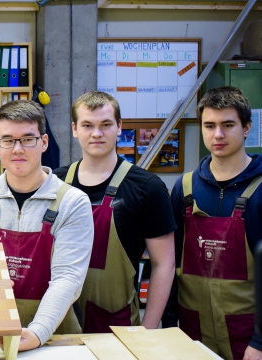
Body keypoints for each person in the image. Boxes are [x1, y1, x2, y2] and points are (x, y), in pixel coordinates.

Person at [0, 100, 93, 351]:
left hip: (52, 339)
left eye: (27, 139)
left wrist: (38, 332)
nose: (18, 149)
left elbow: (67, 279)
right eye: (8, 140)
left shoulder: (72, 203)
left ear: (43, 142)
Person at [53, 91, 176, 332]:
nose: (96, 134)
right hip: (57, 322)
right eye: (87, 125)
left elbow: (164, 265)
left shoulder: (147, 188)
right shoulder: (55, 183)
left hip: (117, 325)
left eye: (105, 125)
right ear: (75, 129)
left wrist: (148, 331)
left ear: (119, 127)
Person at [165, 87, 262, 360]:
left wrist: (260, 340)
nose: (218, 134)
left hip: (249, 339)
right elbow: (170, 265)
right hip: (192, 334)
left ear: (246, 128)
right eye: (210, 125)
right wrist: (170, 326)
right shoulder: (184, 188)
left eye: (227, 125)